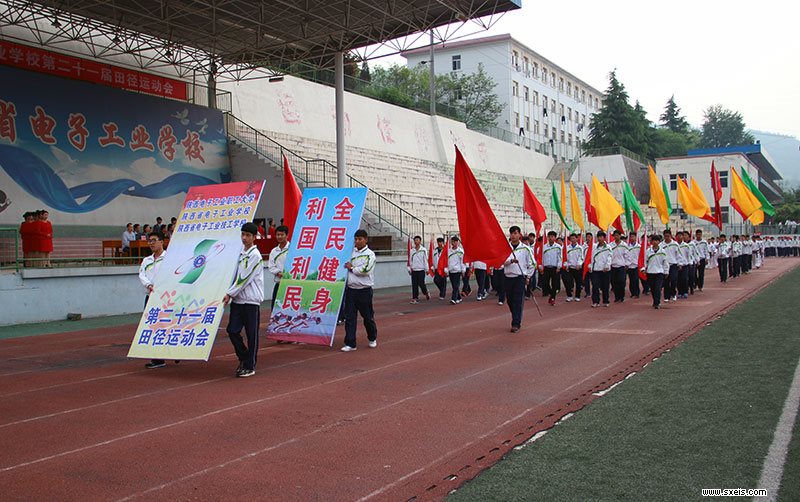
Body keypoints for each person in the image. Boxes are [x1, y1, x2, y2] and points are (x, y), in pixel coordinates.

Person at [223, 222, 264, 378]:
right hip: (238, 301)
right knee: (232, 330)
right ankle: (244, 356)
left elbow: (244, 279)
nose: (244, 238)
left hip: (251, 301)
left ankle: (249, 365)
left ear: (254, 237)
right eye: (243, 234)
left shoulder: (255, 256)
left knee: (252, 334)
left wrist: (229, 293)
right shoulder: (239, 253)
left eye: (248, 235)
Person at [341, 229, 378, 351]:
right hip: (351, 290)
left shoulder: (370, 254)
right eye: (356, 239)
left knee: (367, 317)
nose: (357, 241)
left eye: (360, 239)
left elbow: (366, 270)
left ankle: (372, 337)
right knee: (350, 317)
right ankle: (350, 343)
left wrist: (352, 268)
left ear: (366, 240)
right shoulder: (350, 252)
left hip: (364, 290)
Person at [139, 232, 169, 369]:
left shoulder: (169, 258)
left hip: (167, 298)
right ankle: (157, 358)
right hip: (151, 297)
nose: (151, 243)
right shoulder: (147, 260)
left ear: (161, 241)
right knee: (152, 326)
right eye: (149, 241)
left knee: (169, 325)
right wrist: (149, 285)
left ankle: (175, 351)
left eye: (154, 240)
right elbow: (142, 274)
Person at [503, 226, 535, 332]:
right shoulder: (505, 248)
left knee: (517, 300)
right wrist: (511, 261)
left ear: (519, 234)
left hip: (519, 277)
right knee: (510, 300)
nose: (513, 235)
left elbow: (532, 264)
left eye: (515, 233)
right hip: (508, 277)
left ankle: (516, 323)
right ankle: (516, 315)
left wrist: (528, 276)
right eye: (511, 233)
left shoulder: (526, 249)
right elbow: (502, 261)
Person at [267, 225, 290, 310]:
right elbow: (271, 266)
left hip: (290, 284)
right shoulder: (274, 251)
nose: (280, 237)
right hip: (279, 283)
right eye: (278, 235)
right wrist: (279, 273)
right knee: (275, 308)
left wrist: (287, 274)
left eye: (282, 234)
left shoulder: (292, 249)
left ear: (287, 235)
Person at [643, 234, 668, 309]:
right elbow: (645, 261)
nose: (655, 242)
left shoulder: (662, 251)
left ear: (659, 242)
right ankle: (655, 300)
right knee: (653, 288)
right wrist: (644, 269)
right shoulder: (648, 251)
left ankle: (657, 302)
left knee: (658, 288)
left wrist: (666, 271)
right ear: (651, 242)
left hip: (659, 272)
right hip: (650, 272)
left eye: (657, 241)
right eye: (653, 240)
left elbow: (665, 262)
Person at [589, 230, 612, 307]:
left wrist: (607, 266)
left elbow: (609, 257)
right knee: (595, 286)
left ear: (604, 238)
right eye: (598, 237)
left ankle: (605, 301)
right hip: (596, 270)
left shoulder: (608, 247)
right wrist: (590, 266)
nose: (599, 238)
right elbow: (591, 258)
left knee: (605, 286)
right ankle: (595, 301)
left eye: (601, 237)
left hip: (605, 270)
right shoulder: (594, 247)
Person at [540, 230, 561, 306]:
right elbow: (541, 257)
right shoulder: (544, 247)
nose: (551, 238)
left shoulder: (558, 247)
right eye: (549, 236)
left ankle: (552, 298)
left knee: (554, 284)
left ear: (555, 238)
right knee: (545, 283)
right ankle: (551, 293)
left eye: (552, 236)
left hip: (555, 268)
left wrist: (559, 266)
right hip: (546, 267)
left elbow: (560, 257)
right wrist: (541, 266)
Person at [408, 235, 431, 304]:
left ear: (420, 241)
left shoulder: (423, 250)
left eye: (417, 240)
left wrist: (427, 269)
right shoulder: (412, 250)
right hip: (414, 270)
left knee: (421, 283)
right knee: (414, 284)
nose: (416, 241)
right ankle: (415, 298)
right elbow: (410, 260)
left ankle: (426, 292)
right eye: (415, 240)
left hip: (421, 270)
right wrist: (410, 268)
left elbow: (425, 260)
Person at [609, 230, 629, 303]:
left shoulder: (624, 245)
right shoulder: (610, 245)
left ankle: (622, 296)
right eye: (615, 235)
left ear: (620, 236)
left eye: (617, 235)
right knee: (614, 283)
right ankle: (617, 297)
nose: (616, 237)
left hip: (621, 266)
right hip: (613, 266)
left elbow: (627, 255)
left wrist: (627, 264)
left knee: (621, 281)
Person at [445, 236, 465, 305]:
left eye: (454, 242)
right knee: (454, 285)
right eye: (452, 242)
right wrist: (446, 270)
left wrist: (463, 270)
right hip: (451, 270)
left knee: (456, 285)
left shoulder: (460, 251)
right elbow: (446, 261)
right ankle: (459, 297)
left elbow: (462, 261)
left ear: (457, 242)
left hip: (457, 270)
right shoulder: (449, 251)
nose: (453, 243)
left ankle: (453, 299)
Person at [564, 233, 584, 302]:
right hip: (570, 268)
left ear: (577, 239)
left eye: (574, 238)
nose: (572, 240)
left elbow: (581, 257)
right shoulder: (567, 248)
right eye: (571, 238)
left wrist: (579, 264)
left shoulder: (580, 248)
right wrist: (566, 265)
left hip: (577, 268)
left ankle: (577, 296)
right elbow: (565, 257)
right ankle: (569, 296)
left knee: (578, 283)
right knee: (568, 282)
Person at [661, 229, 679, 302]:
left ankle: (673, 293)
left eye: (668, 236)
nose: (667, 238)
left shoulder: (675, 244)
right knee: (666, 281)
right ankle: (666, 296)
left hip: (673, 264)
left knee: (673, 280)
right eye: (665, 236)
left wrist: (679, 263)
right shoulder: (661, 245)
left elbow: (678, 254)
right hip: (665, 265)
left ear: (671, 236)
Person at [626, 232, 641, 299]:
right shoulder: (627, 247)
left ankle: (636, 293)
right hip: (629, 266)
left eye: (633, 236)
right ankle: (632, 293)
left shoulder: (639, 246)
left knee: (636, 279)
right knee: (631, 280)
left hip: (636, 265)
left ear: (636, 237)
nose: (632, 238)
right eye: (631, 237)